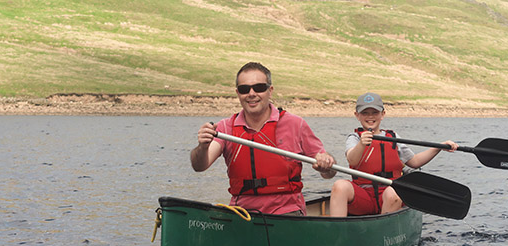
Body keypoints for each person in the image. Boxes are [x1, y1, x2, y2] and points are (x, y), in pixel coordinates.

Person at [190, 62, 336, 215]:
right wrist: (203, 146)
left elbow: (329, 174)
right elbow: (199, 166)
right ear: (238, 93)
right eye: (244, 89)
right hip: (243, 213)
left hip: (287, 211)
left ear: (270, 91)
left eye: (259, 88)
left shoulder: (295, 124)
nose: (251, 94)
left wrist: (326, 163)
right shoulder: (225, 128)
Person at [329, 92, 458, 217]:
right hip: (364, 196)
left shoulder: (393, 137)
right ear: (357, 115)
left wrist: (438, 147)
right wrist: (362, 144)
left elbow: (415, 161)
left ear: (383, 114)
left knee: (393, 193)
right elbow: (352, 160)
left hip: (390, 195)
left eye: (375, 112)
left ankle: (382, 232)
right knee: (339, 185)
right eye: (365, 113)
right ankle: (337, 233)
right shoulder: (355, 138)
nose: (370, 116)